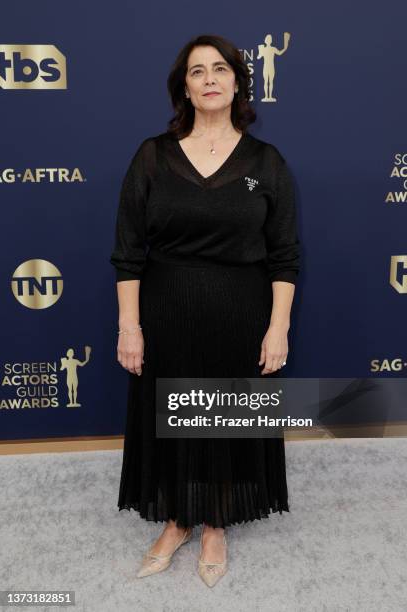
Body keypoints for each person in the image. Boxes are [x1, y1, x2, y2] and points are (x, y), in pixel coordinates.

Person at [110, 33, 300, 588]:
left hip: (240, 313)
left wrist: (277, 326)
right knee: (171, 417)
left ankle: (215, 523)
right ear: (185, 87)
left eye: (220, 68)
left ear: (237, 82)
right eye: (198, 71)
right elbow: (127, 253)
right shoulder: (152, 156)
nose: (210, 79)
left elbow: (285, 256)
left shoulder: (266, 161)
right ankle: (176, 520)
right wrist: (130, 326)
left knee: (226, 416)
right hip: (166, 311)